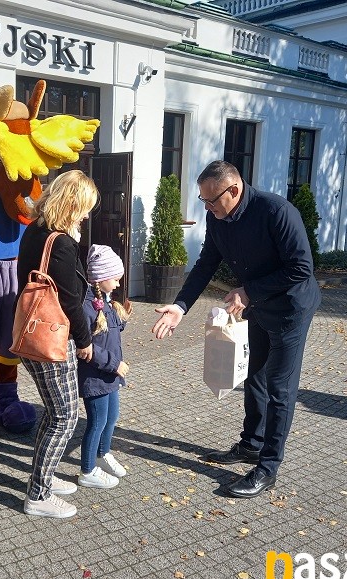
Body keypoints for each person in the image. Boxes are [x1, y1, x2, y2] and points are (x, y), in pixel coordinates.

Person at [152, 160, 321, 498]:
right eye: (203, 201)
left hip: (291, 309)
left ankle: (268, 468)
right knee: (254, 376)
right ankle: (252, 445)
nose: (207, 208)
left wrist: (248, 291)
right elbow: (205, 264)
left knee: (280, 387)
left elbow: (301, 267)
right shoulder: (218, 218)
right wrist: (180, 307)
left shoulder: (276, 212)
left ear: (233, 189)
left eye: (211, 200)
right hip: (257, 307)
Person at [16, 170, 98, 518]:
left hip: (33, 333)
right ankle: (38, 495)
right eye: (85, 207)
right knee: (65, 417)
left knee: (54, 413)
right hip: (53, 339)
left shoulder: (35, 231)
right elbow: (69, 301)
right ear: (72, 204)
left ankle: (44, 477)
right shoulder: (60, 242)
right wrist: (85, 340)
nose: (86, 215)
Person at [77, 245, 131, 490]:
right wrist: (114, 364)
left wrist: (123, 318)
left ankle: (103, 453)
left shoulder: (104, 301)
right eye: (116, 279)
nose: (118, 284)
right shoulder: (87, 306)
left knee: (111, 418)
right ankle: (87, 470)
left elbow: (109, 331)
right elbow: (86, 347)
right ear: (101, 278)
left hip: (110, 376)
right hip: (97, 377)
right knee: (97, 423)